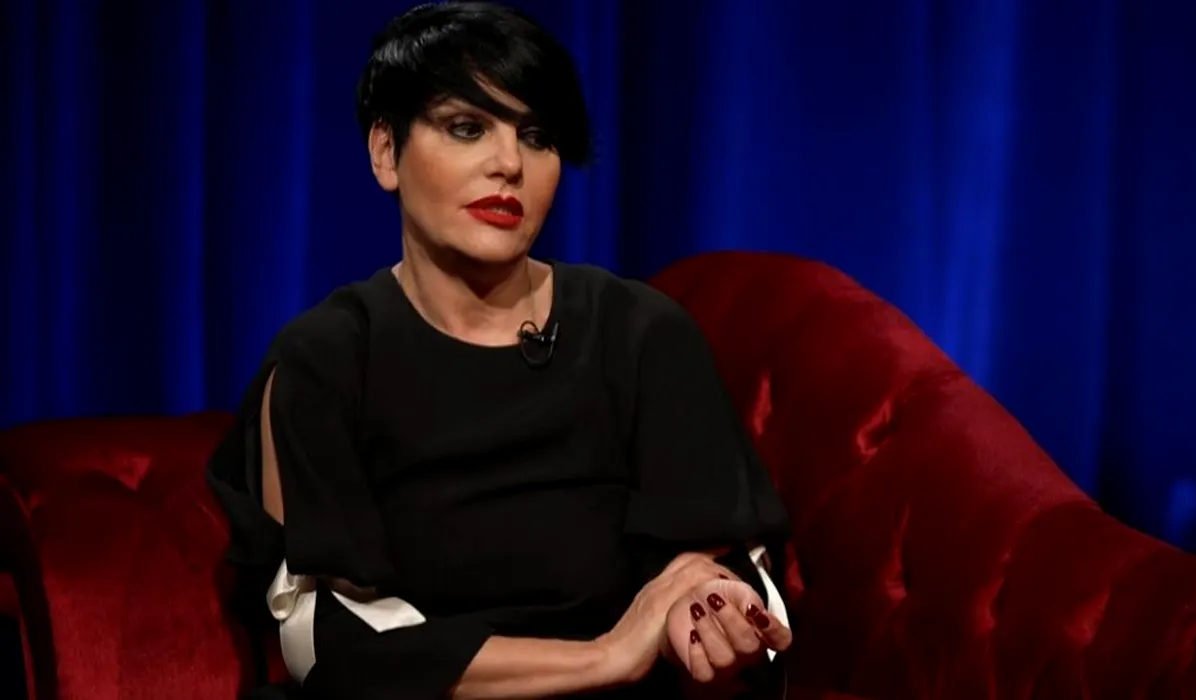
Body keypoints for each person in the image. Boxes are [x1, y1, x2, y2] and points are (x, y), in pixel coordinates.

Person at [206, 2, 793, 698]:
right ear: (386, 152)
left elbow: (727, 570)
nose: (509, 164)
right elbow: (329, 642)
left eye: (537, 136)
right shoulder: (326, 360)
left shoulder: (640, 333)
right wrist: (604, 656)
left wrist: (711, 611)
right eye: (467, 127)